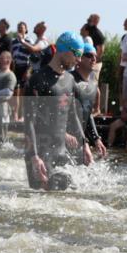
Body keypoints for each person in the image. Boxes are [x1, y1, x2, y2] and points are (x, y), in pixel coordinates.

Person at [24, 31, 93, 191]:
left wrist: (85, 145)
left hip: (61, 152)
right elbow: (29, 122)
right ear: (64, 49)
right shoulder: (37, 80)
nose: (79, 60)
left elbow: (73, 115)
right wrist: (34, 156)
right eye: (77, 54)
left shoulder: (69, 80)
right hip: (40, 153)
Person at [70, 42, 107, 158]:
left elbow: (87, 114)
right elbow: (70, 115)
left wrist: (96, 138)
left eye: (95, 56)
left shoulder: (91, 86)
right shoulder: (69, 81)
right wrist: (84, 142)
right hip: (62, 136)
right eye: (89, 56)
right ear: (79, 58)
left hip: (78, 137)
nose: (94, 59)